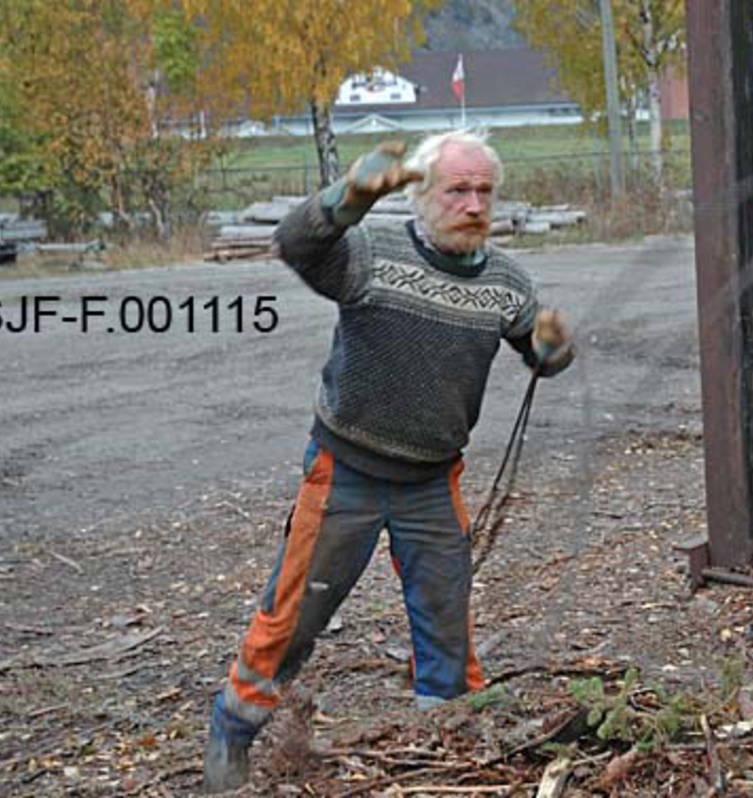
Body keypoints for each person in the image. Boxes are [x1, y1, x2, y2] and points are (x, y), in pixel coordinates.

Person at [203, 130, 575, 792]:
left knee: (447, 627)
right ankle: (231, 732)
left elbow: (537, 353)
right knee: (293, 618)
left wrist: (552, 348)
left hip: (434, 481)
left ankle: (448, 750)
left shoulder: (508, 283)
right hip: (344, 471)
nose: (473, 204)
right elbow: (295, 243)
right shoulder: (372, 253)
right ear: (421, 194)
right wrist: (348, 198)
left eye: (484, 191)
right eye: (457, 189)